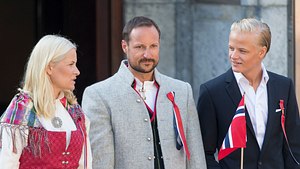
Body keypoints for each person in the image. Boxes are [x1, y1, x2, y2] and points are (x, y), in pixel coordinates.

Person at [82, 16, 206, 169]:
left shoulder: (182, 91)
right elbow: (102, 162)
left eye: (153, 46)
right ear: (124, 46)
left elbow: (195, 156)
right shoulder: (98, 95)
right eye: (140, 47)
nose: (147, 54)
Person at [197, 18, 300, 169]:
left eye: (242, 51)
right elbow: (202, 153)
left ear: (261, 52)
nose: (234, 56)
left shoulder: (284, 87)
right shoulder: (211, 92)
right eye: (231, 48)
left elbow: (294, 146)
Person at [0, 35, 92, 169]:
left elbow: (85, 164)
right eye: (71, 64)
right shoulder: (22, 109)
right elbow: (7, 164)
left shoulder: (75, 111)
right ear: (49, 68)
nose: (77, 71)